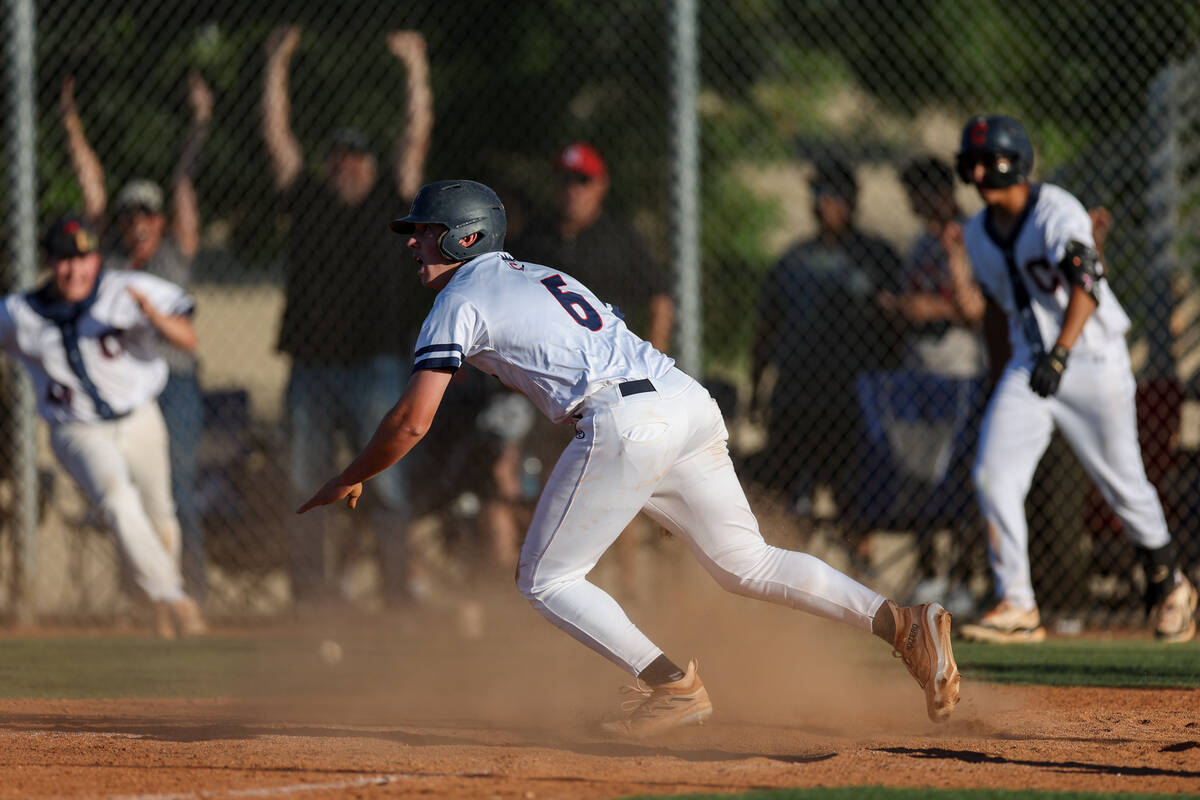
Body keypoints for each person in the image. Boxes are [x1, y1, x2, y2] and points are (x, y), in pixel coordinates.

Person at [298, 179, 960, 736]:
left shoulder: (457, 298)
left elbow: (413, 421)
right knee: (746, 562)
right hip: (683, 399)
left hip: (624, 418)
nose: (412, 242)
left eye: (423, 230)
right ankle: (900, 623)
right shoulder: (541, 273)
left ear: (463, 237)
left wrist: (351, 475)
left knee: (546, 580)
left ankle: (671, 685)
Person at [955, 114, 1198, 644]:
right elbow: (999, 310)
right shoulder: (976, 234)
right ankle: (1018, 603)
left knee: (1123, 485)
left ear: (1015, 163)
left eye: (986, 160)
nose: (976, 172)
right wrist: (1009, 375)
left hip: (1089, 358)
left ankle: (1173, 585)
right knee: (993, 475)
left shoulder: (1054, 209)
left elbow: (1086, 280)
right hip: (1030, 364)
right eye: (969, 162)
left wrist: (1061, 354)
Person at [261, 25, 433, 607]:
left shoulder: (392, 200)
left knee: (385, 480)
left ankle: (395, 597)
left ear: (368, 164)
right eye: (339, 158)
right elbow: (277, 137)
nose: (347, 167)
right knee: (306, 484)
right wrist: (276, 63)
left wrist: (415, 68)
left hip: (376, 362)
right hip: (311, 365)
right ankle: (310, 599)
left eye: (356, 159)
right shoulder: (307, 197)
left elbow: (416, 138)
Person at [0, 215, 206, 638]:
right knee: (117, 501)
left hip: (140, 418)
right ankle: (173, 597)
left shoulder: (126, 290)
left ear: (97, 259)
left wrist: (153, 316)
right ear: (48, 262)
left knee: (161, 515)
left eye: (84, 258)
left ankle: (159, 609)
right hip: (78, 431)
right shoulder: (22, 313)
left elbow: (188, 338)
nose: (75, 270)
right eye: (63, 261)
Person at [59, 72, 213, 599]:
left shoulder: (174, 252)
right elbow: (92, 188)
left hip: (175, 382)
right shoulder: (114, 260)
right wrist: (71, 125)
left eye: (147, 212)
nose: (139, 221)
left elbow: (184, 183)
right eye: (130, 215)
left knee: (175, 492)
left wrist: (199, 123)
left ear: (161, 219)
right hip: (125, 388)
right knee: (125, 494)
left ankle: (190, 591)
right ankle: (142, 596)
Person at [750, 157, 903, 537]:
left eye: (834, 194)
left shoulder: (876, 257)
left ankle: (861, 585)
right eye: (818, 194)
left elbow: (897, 331)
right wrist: (757, 388)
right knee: (788, 502)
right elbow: (765, 331)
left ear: (853, 200)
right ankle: (790, 580)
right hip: (796, 400)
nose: (824, 204)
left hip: (852, 403)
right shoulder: (794, 261)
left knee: (855, 505)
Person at [520, 142, 674, 352]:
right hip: (548, 359)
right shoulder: (535, 236)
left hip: (610, 357)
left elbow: (660, 299)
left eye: (582, 180)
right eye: (565, 180)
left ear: (601, 185)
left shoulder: (619, 237)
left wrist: (652, 358)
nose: (572, 190)